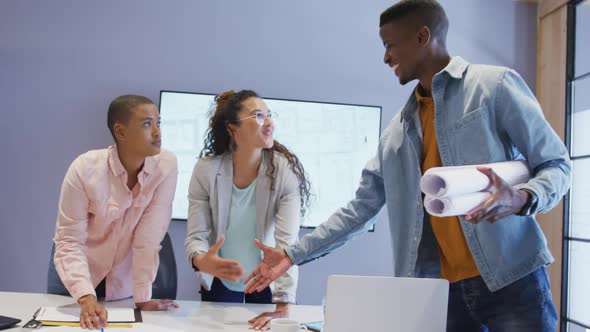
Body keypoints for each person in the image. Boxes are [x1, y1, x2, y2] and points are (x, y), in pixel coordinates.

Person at [244, 1, 571, 331]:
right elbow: (359, 210)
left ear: (422, 36)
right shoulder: (396, 135)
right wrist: (292, 255)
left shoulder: (494, 87)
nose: (386, 57)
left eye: (389, 45)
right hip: (441, 295)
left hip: (513, 281)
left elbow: (556, 164)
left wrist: (522, 197)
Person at [49, 95, 179, 330]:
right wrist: (85, 298)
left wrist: (143, 296)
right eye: (147, 124)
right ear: (120, 131)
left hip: (123, 286)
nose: (158, 132)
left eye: (159, 123)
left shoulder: (166, 166)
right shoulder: (84, 169)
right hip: (77, 279)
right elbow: (68, 240)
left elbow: (148, 237)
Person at [184, 90, 311, 331]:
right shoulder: (206, 171)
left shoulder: (284, 171)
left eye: (269, 115)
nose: (270, 122)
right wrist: (202, 261)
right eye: (259, 116)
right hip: (220, 279)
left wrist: (283, 305)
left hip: (267, 278)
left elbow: (288, 245)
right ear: (233, 128)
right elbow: (195, 237)